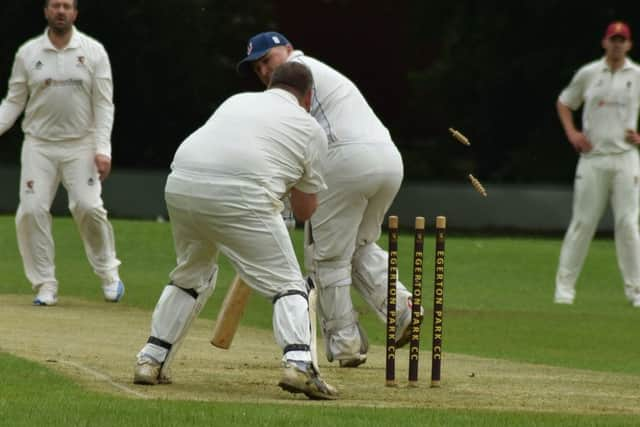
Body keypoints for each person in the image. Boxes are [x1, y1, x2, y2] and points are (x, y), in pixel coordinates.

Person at [133, 62, 337, 400]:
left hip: (182, 184)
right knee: (287, 284)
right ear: (308, 96)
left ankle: (151, 359)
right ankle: (299, 363)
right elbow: (305, 210)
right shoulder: (310, 127)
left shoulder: (237, 100)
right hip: (244, 194)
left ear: (271, 83)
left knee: (191, 274)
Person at [237, 31, 418, 368]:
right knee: (358, 245)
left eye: (267, 59)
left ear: (288, 50)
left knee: (326, 257)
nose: (263, 70)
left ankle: (345, 343)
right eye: (257, 66)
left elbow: (294, 147)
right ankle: (403, 310)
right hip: (387, 160)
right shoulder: (315, 72)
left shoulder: (296, 75)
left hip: (345, 160)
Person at [0, 0, 124, 306]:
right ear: (46, 11)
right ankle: (45, 283)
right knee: (30, 210)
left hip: (81, 143)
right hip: (38, 144)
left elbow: (103, 103)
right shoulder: (28, 53)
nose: (61, 11)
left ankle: (109, 274)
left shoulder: (94, 51)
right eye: (55, 5)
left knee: (88, 207)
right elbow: (14, 101)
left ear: (75, 13)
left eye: (67, 6)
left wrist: (103, 149)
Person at [554, 21, 640, 307]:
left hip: (626, 159)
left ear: (628, 45)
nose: (617, 44)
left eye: (622, 40)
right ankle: (564, 292)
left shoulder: (637, 75)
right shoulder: (589, 73)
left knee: (628, 224)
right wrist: (572, 134)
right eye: (613, 39)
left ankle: (636, 291)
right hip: (593, 159)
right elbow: (565, 102)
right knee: (582, 223)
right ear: (605, 42)